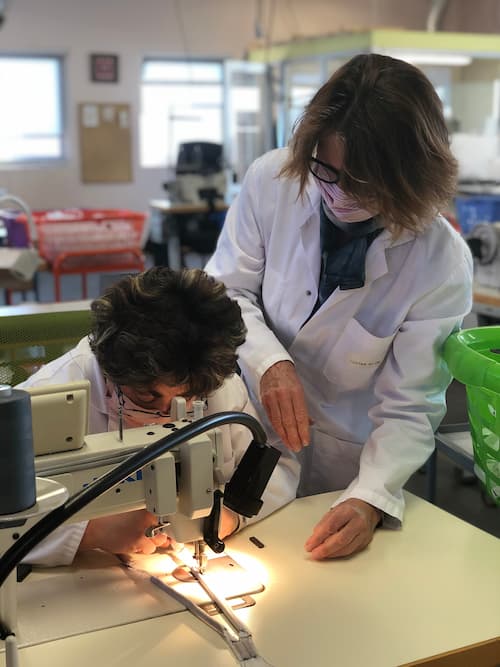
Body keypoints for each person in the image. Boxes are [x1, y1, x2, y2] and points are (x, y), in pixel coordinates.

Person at [206, 53, 473, 560]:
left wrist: (370, 498)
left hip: (345, 463)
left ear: (411, 173)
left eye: (365, 181)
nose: (340, 194)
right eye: (327, 170)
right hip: (246, 423)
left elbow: (410, 405)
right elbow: (225, 292)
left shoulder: (440, 261)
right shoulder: (273, 182)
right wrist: (270, 361)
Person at [17, 267, 299, 566]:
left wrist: (228, 516)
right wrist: (88, 533)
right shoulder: (46, 399)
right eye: (148, 397)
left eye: (189, 398)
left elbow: (275, 473)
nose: (168, 416)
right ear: (110, 367)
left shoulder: (214, 383)